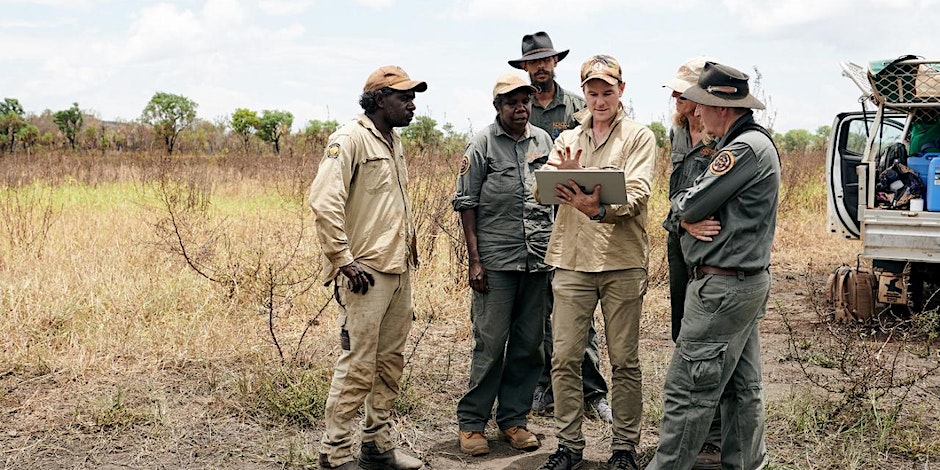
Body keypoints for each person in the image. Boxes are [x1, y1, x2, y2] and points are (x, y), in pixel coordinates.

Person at [646, 61, 779, 470]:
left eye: (702, 104)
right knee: (742, 389)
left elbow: (688, 202)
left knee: (688, 392)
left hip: (722, 288)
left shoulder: (741, 150)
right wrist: (684, 216)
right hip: (743, 284)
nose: (696, 112)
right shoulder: (752, 143)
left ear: (724, 108)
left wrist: (682, 216)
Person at [537, 54, 656, 470]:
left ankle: (624, 448)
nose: (600, 100)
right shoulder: (567, 137)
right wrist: (569, 178)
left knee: (624, 359)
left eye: (608, 91)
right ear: (583, 93)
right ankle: (569, 445)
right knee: (565, 357)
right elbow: (542, 192)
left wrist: (594, 201)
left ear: (621, 91)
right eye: (592, 92)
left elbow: (637, 192)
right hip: (571, 260)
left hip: (621, 260)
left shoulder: (639, 137)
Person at [308, 65, 427, 470]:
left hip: (397, 269)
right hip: (366, 274)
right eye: (404, 98)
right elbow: (324, 201)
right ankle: (335, 453)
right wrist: (343, 260)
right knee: (358, 363)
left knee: (390, 362)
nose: (412, 105)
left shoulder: (393, 142)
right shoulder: (349, 139)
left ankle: (377, 446)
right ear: (379, 100)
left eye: (413, 98)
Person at [509, 30, 612, 424]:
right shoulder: (517, 106)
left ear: (555, 63)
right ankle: (544, 386)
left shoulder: (576, 105)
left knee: (579, 310)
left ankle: (593, 392)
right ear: (524, 67)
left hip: (576, 220)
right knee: (540, 313)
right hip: (533, 224)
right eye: (532, 62)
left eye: (545, 60)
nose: (539, 67)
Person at [452, 72, 555, 457]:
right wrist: (475, 261)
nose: (520, 107)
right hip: (495, 262)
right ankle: (472, 424)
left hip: (538, 260)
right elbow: (466, 203)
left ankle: (514, 419)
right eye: (511, 101)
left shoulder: (543, 140)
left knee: (530, 346)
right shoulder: (481, 144)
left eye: (525, 100)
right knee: (491, 344)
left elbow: (554, 195)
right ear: (497, 106)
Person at [660, 56, 723, 470]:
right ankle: (693, 429)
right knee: (683, 333)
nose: (677, 96)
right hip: (678, 240)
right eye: (675, 90)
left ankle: (714, 435)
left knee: (713, 341)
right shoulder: (677, 133)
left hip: (713, 247)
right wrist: (679, 222)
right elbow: (675, 193)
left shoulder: (722, 137)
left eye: (686, 90)